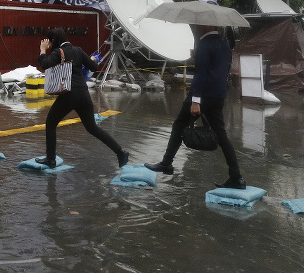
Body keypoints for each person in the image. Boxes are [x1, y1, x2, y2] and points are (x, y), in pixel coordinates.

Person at [145, 24, 245, 188]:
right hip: (218, 95)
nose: (194, 26)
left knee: (179, 126)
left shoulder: (205, 44)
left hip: (203, 95)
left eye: (197, 24)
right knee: (222, 136)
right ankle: (237, 177)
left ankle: (166, 163)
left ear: (205, 25)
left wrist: (196, 100)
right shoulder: (224, 44)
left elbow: (201, 74)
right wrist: (198, 57)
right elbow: (223, 69)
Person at [37, 27, 129, 168]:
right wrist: (91, 59)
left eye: (50, 41)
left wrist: (43, 50)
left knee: (50, 124)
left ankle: (51, 159)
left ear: (54, 41)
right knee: (92, 127)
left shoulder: (58, 52)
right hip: (84, 94)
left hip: (69, 94)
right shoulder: (78, 50)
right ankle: (120, 152)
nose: (49, 45)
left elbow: (44, 64)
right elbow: (93, 66)